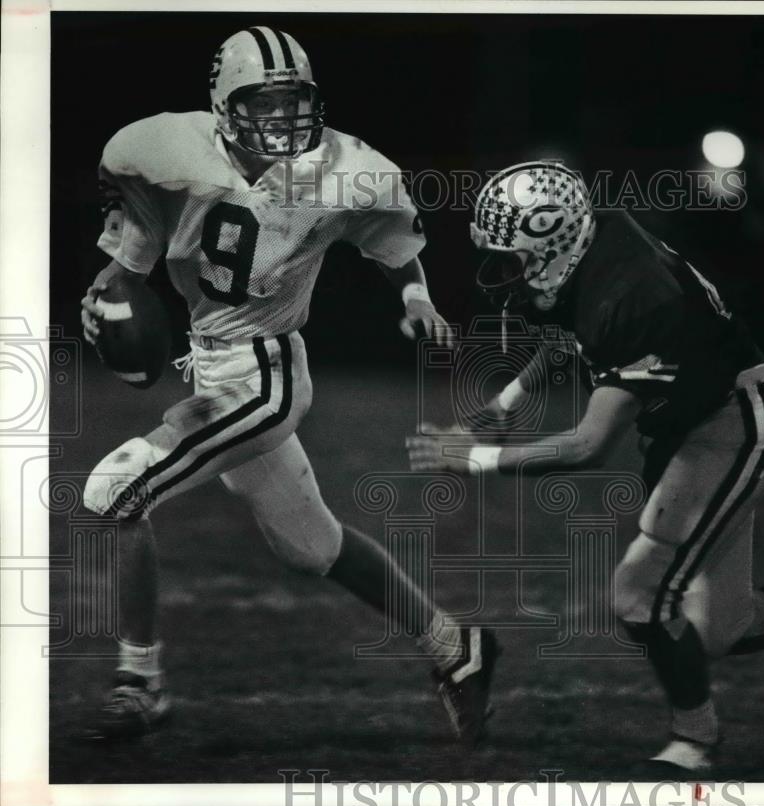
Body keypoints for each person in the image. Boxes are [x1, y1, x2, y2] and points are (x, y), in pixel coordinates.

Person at [405, 161, 764, 773]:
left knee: (638, 595)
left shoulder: (636, 297)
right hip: (693, 425)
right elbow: (574, 336)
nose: (501, 272)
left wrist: (476, 458)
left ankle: (694, 741)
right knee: (723, 629)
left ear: (550, 242)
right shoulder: (594, 248)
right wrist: (504, 406)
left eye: (511, 257)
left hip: (733, 426)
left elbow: (588, 445)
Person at [79, 26, 497, 746]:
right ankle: (456, 649)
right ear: (222, 104)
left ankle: (139, 682)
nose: (281, 119)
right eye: (262, 104)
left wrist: (418, 301)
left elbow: (393, 243)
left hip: (267, 373)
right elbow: (137, 242)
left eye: (292, 102)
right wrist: (109, 292)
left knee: (115, 491)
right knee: (312, 546)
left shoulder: (346, 169)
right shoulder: (160, 150)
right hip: (210, 362)